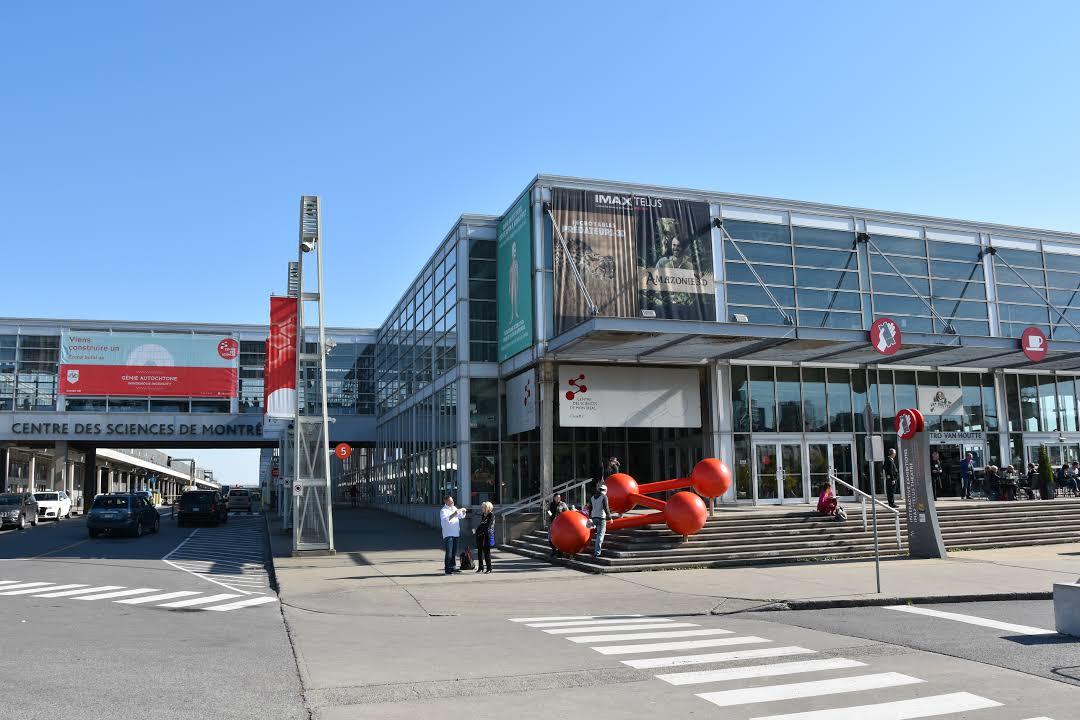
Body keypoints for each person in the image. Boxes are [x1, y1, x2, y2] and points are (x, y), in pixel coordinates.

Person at [439, 496, 467, 575]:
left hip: (455, 533)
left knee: (454, 551)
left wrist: (463, 512)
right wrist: (454, 513)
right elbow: (446, 520)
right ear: (446, 501)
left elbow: (461, 516)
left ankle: (453, 567)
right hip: (448, 534)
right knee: (449, 552)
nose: (452, 502)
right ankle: (447, 569)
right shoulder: (443, 510)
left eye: (452, 501)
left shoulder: (454, 507)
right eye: (450, 501)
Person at [589, 483, 611, 558]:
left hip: (594, 517)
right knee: (600, 536)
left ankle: (596, 550)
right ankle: (597, 552)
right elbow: (606, 508)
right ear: (605, 490)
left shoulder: (592, 497)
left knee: (597, 535)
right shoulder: (604, 497)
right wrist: (610, 518)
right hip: (601, 518)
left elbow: (590, 508)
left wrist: (590, 517)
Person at [474, 501, 495, 573]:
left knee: (486, 552)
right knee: (479, 551)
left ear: (488, 508)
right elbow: (481, 524)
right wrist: (477, 531)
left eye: (484, 507)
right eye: (482, 507)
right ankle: (481, 567)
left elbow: (487, 526)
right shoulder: (483, 515)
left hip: (487, 535)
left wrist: (481, 530)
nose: (482, 508)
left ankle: (489, 568)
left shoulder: (491, 515)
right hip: (481, 535)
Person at [547, 493, 569, 557]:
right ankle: (554, 550)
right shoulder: (551, 504)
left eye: (559, 497)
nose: (558, 498)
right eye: (557, 497)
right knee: (550, 538)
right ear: (554, 498)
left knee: (559, 538)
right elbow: (548, 511)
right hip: (552, 523)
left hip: (559, 524)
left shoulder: (563, 504)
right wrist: (550, 515)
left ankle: (560, 552)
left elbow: (567, 512)